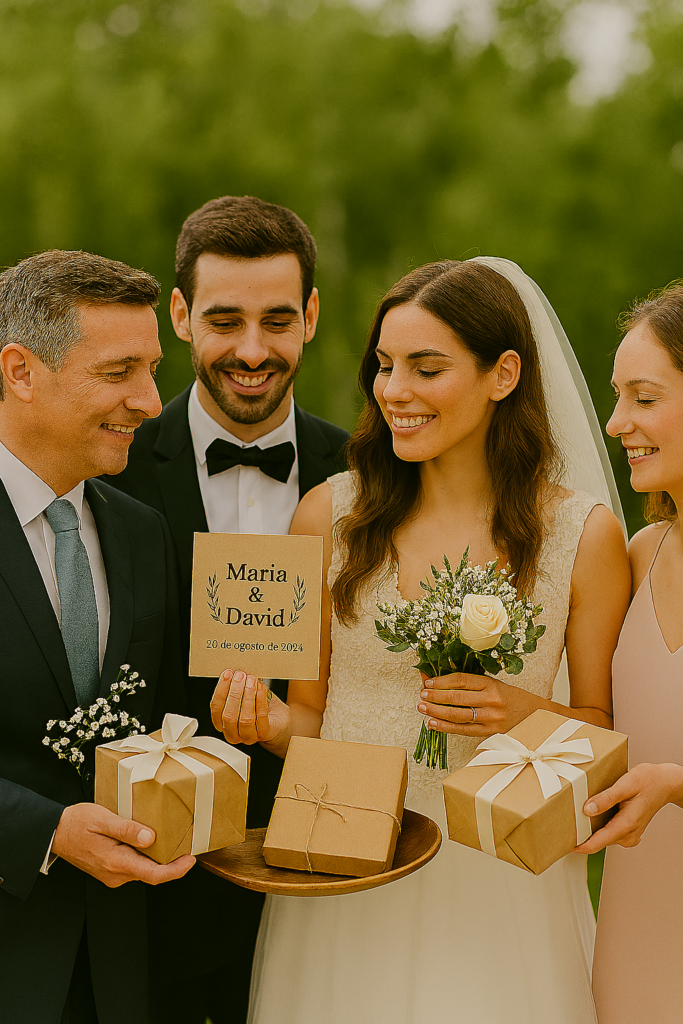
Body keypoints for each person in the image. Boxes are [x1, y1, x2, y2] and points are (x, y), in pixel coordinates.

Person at [213, 257, 631, 1024]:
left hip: (498, 882)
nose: (393, 391)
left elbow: (603, 733)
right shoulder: (328, 517)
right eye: (383, 365)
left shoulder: (583, 535)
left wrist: (516, 711)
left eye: (425, 368)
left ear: (502, 374)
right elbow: (308, 717)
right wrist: (262, 722)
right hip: (345, 869)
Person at [105, 195, 349, 1024]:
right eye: (223, 320)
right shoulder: (110, 469)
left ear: (311, 316)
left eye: (277, 320)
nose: (252, 351)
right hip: (151, 889)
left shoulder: (367, 476)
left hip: (325, 875)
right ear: (179, 315)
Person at [0, 250, 194, 1024]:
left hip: (117, 967)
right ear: (20, 371)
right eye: (120, 373)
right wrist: (46, 830)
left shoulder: (142, 531)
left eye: (150, 369)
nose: (150, 401)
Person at [576, 283, 683, 1024]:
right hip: (632, 929)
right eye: (617, 398)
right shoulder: (640, 553)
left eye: (642, 398)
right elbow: (596, 727)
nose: (616, 424)